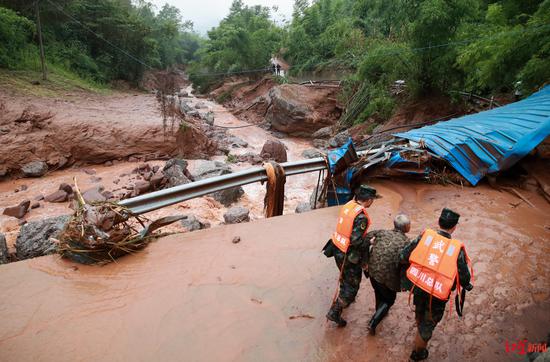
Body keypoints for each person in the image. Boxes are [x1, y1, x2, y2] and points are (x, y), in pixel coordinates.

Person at [399, 208, 473, 361]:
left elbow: (405, 254)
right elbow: (464, 275)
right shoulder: (456, 249)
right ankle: (417, 354)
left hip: (419, 285)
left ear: (438, 222)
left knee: (419, 310)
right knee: (429, 323)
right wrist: (467, 285)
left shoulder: (425, 237)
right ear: (454, 227)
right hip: (438, 293)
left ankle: (420, 328)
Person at [322, 185, 381, 327]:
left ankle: (344, 295)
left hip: (336, 247)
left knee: (345, 278)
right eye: (372, 199)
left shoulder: (349, 205)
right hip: (347, 254)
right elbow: (356, 240)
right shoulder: (361, 217)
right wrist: (370, 241)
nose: (372, 202)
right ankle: (335, 311)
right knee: (352, 287)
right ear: (368, 200)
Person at [362, 214, 411, 335]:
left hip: (372, 271)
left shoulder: (381, 232)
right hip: (388, 277)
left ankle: (379, 311)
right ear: (406, 227)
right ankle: (373, 322)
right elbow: (406, 260)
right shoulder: (406, 242)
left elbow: (366, 238)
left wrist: (366, 259)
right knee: (389, 300)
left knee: (378, 292)